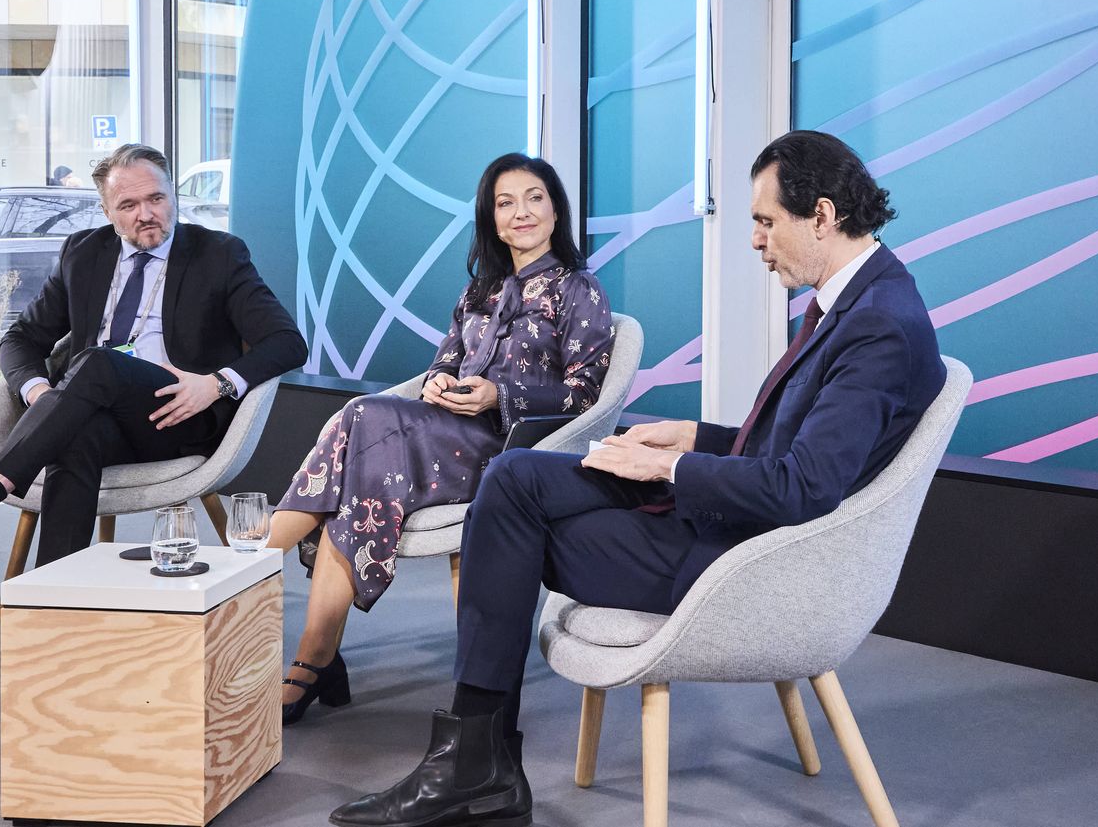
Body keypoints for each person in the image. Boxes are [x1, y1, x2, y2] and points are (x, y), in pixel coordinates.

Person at [329, 131, 944, 827]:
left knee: (503, 529)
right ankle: (479, 764)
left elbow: (804, 486)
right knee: (513, 478)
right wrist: (692, 437)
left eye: (766, 221)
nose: (754, 239)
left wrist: (671, 467)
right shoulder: (862, 300)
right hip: (733, 516)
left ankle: (475, 767)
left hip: (740, 559)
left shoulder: (878, 326)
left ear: (823, 215)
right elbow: (794, 448)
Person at [263, 153, 613, 725]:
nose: (520, 212)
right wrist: (442, 384)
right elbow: (439, 366)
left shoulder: (580, 290)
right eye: (505, 203)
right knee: (366, 428)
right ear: (492, 220)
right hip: (438, 435)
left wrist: (499, 398)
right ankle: (314, 654)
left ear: (555, 210)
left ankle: (262, 556)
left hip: (507, 452)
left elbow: (586, 393)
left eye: (533, 198)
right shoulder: (479, 291)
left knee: (364, 419)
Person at [0, 143, 307, 569]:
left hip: (178, 413)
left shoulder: (219, 254)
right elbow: (20, 338)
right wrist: (41, 394)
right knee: (75, 436)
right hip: (94, 409)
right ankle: (54, 596)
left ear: (172, 194)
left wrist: (215, 384)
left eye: (156, 198)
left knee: (96, 362)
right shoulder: (83, 254)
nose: (146, 214)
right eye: (128, 204)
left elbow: (287, 341)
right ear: (106, 212)